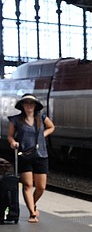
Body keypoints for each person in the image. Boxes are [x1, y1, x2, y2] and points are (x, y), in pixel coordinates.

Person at [7, 94, 55, 223]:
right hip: (24, 155)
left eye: (31, 103)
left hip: (41, 155)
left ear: (35, 105)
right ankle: (32, 213)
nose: (29, 105)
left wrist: (43, 135)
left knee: (41, 187)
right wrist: (13, 142)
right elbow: (10, 136)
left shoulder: (41, 118)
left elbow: (52, 127)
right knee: (28, 185)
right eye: (26, 103)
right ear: (22, 105)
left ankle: (32, 203)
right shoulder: (15, 120)